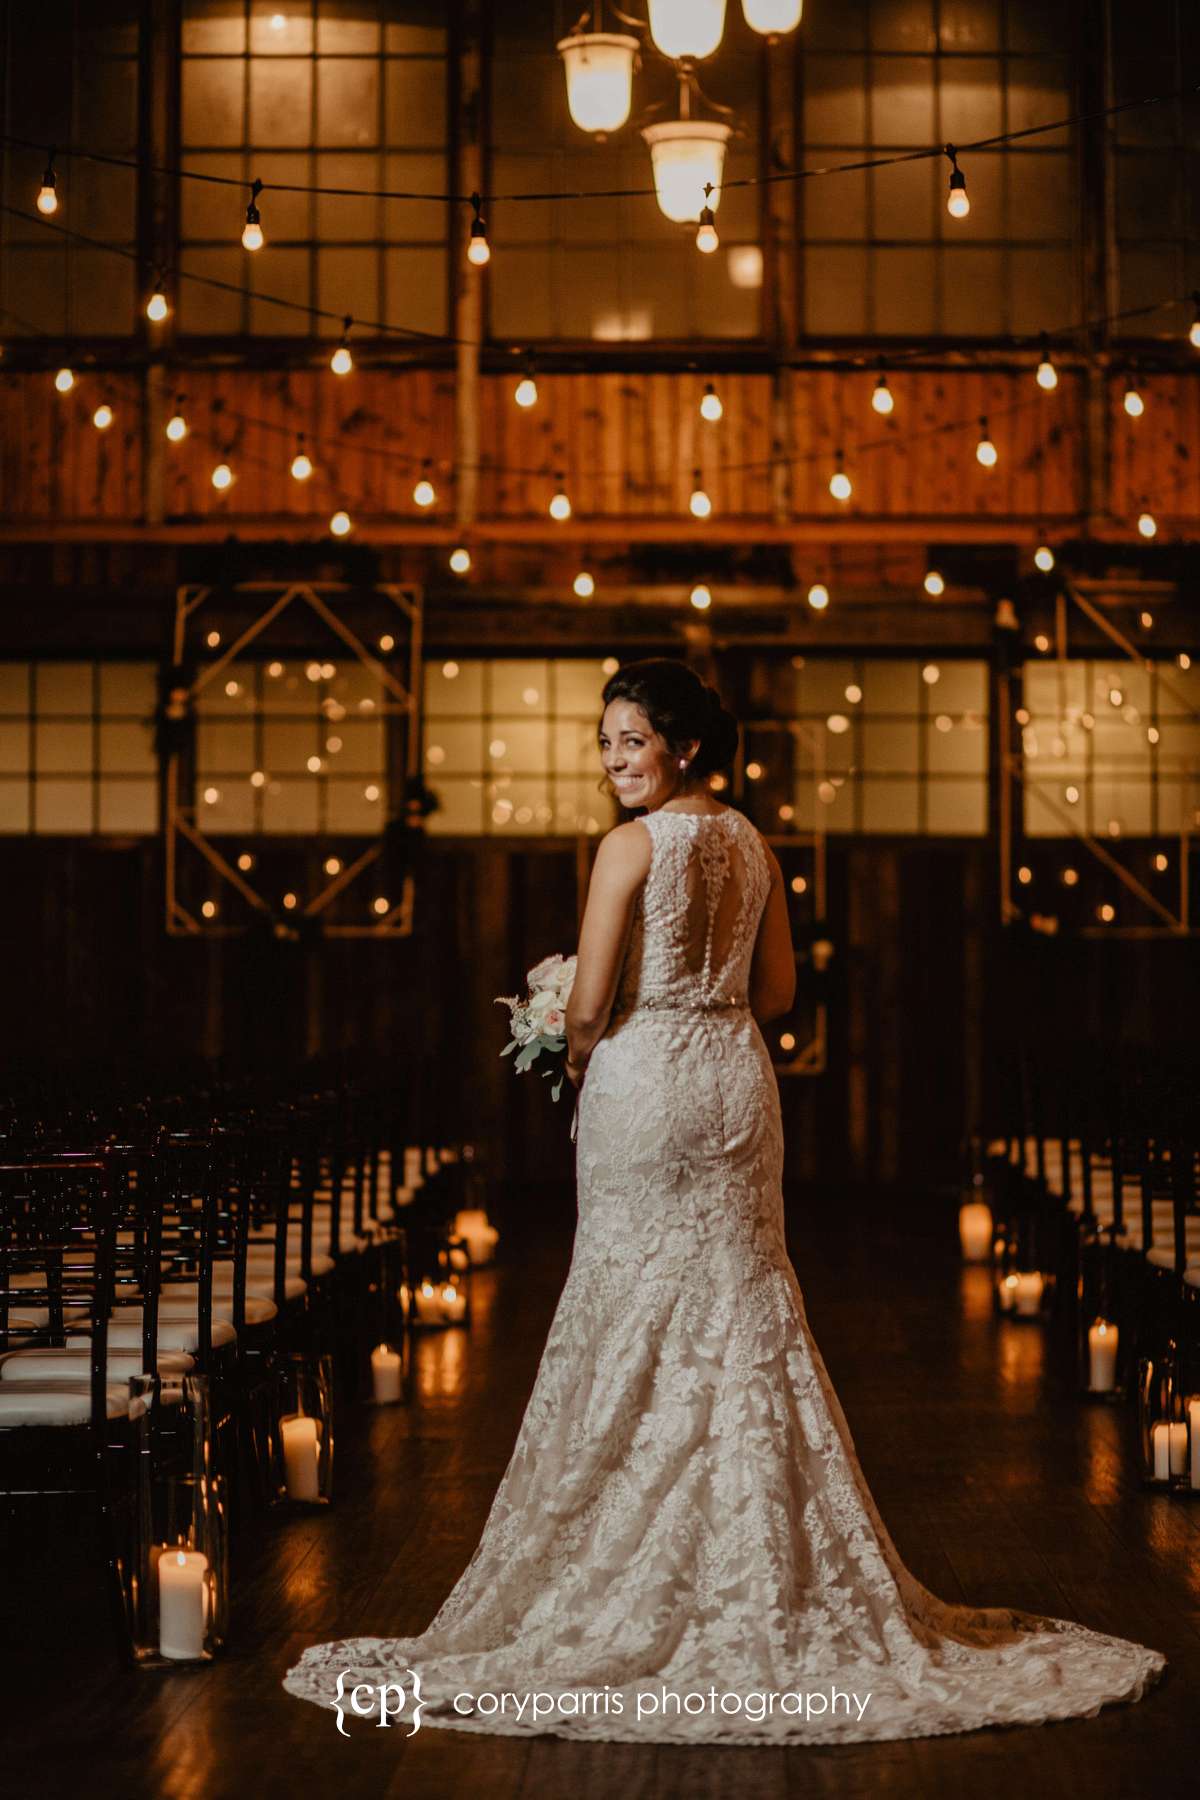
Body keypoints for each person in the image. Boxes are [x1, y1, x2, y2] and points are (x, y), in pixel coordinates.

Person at [284, 657, 1166, 1745]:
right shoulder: (753, 843)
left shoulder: (628, 848)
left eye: (630, 742)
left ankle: (623, 1560)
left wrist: (564, 1020)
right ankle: (762, 1564)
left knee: (629, 1297)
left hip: (646, 1084)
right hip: (736, 1082)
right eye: (604, 743)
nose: (613, 761)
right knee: (746, 1298)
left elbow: (597, 1002)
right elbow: (783, 994)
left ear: (682, 745)